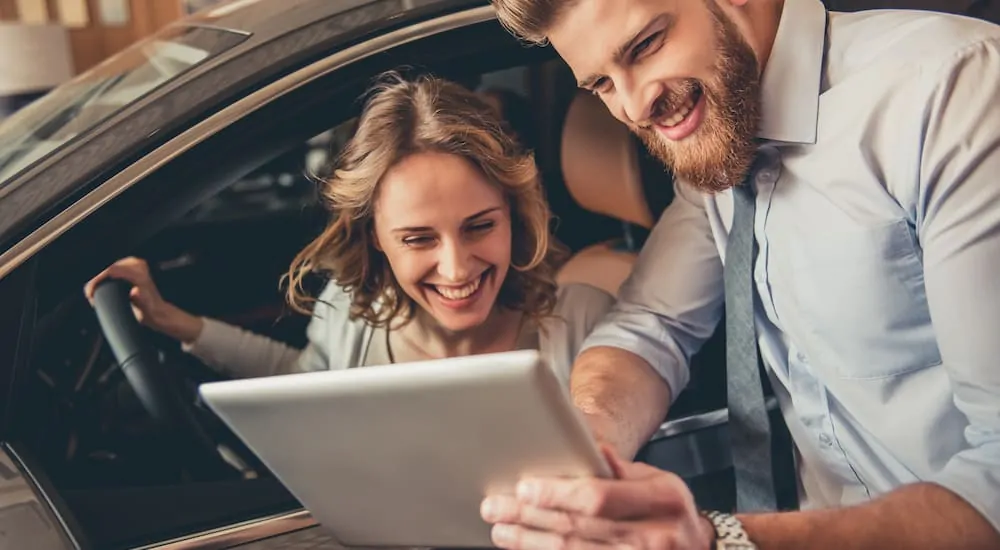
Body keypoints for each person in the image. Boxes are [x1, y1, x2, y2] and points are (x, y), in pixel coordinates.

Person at [478, 1, 1000, 549]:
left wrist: (719, 539)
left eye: (646, 45)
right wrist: (592, 439)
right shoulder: (720, 140)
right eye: (603, 84)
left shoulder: (950, 90)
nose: (634, 107)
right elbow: (651, 325)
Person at [84, 73, 614, 388]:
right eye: (418, 238)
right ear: (374, 236)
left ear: (513, 213)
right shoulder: (350, 313)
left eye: (479, 226)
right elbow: (305, 383)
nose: (456, 267)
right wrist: (177, 323)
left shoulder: (583, 324)